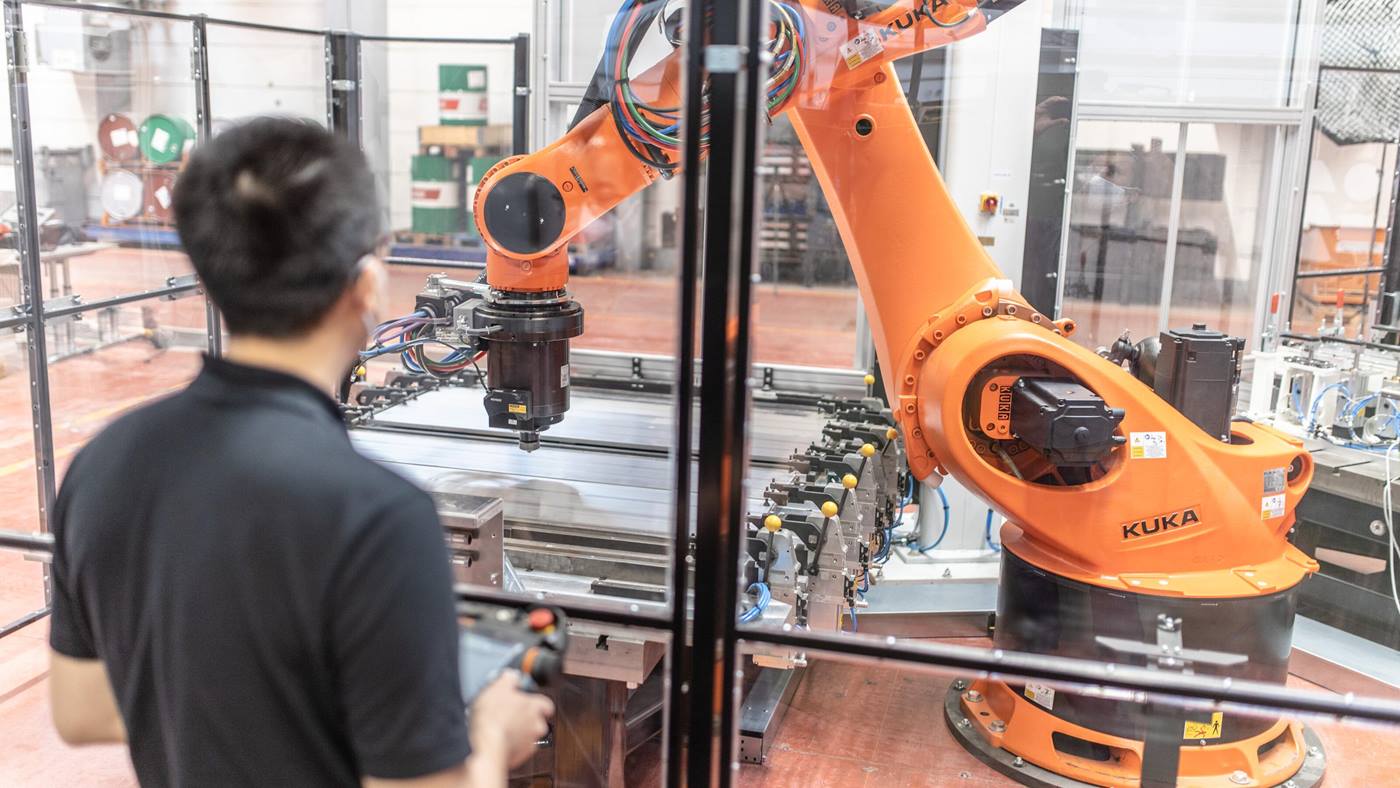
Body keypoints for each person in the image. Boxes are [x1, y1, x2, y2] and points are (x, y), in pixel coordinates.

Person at [45, 117, 553, 787]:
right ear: (367, 284)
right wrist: (492, 735)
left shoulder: (104, 465)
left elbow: (80, 710)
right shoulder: (378, 515)